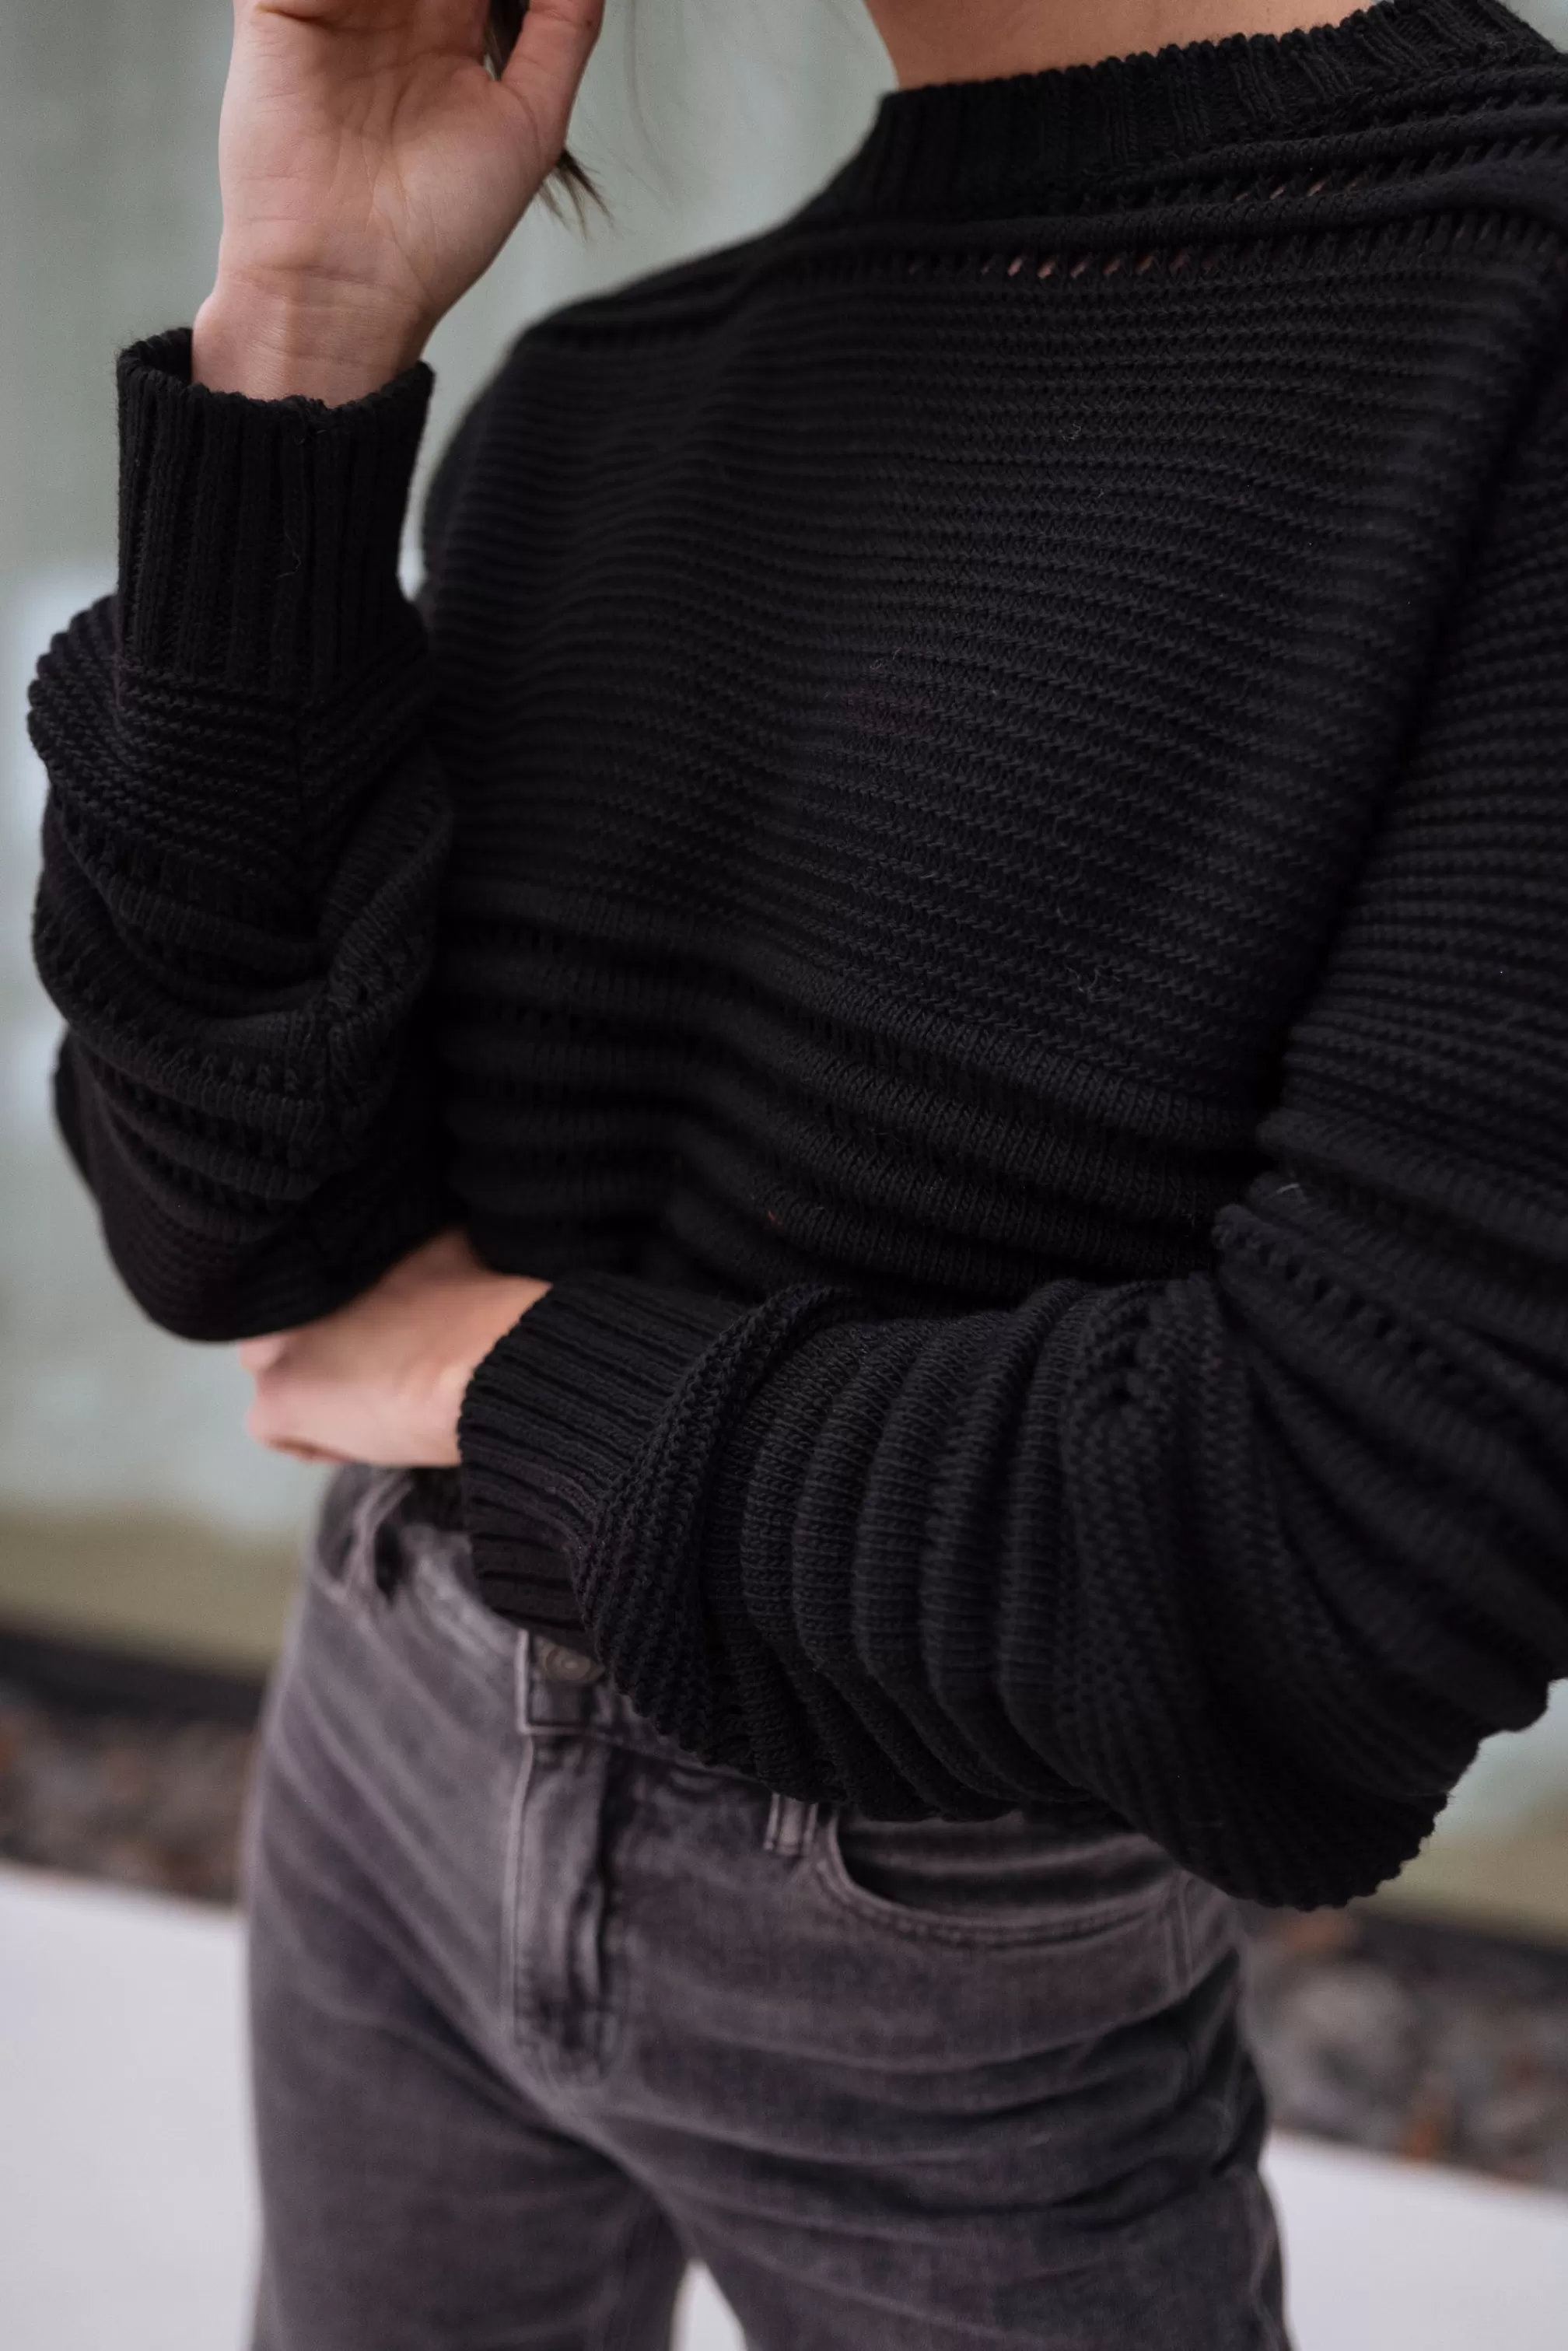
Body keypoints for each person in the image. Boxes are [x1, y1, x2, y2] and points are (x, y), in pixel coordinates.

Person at [28, 0, 1568, 2340]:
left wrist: (509, 1372)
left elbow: (1342, 1561)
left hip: (952, 1939)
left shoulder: (1503, 343)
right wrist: (303, 329)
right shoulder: (607, 393)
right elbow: (229, 1228)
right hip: (380, 1737)